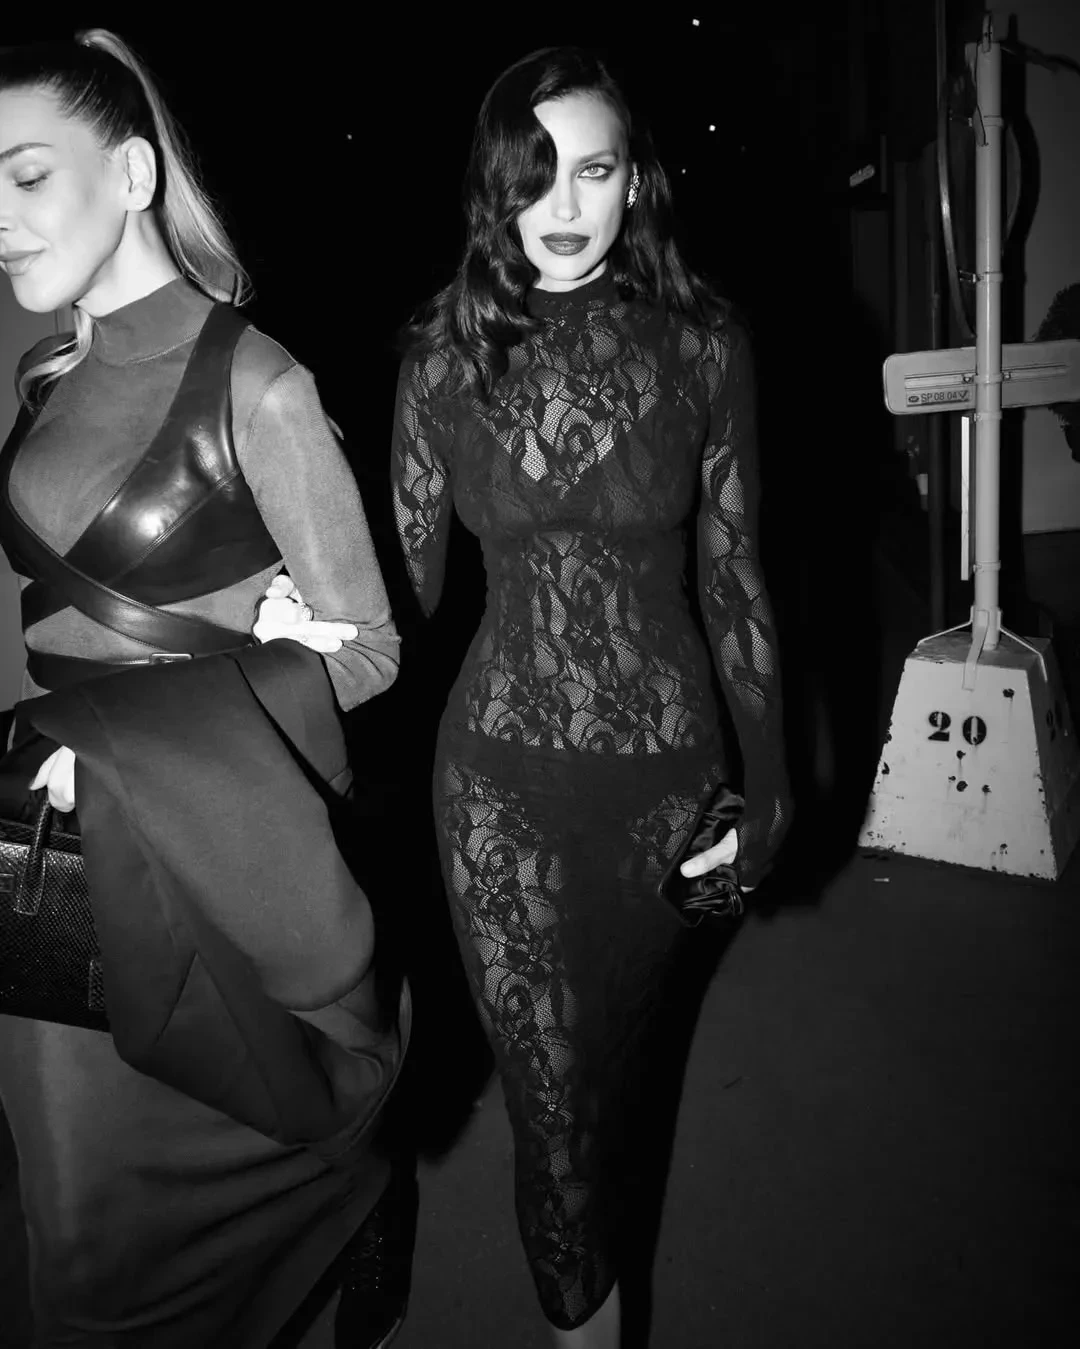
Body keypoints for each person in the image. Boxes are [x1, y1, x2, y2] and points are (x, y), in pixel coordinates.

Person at [0, 29, 412, 1349]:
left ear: (129, 175)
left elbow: (370, 652)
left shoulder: (260, 382)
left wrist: (167, 725)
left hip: (195, 853)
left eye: (26, 176)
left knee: (130, 1252)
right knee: (72, 1232)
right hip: (50, 843)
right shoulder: (47, 377)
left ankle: (359, 1194)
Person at [389, 46, 792, 1348]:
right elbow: (399, 601)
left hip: (673, 785)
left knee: (623, 1081)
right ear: (490, 190)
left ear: (638, 182)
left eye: (595, 169)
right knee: (554, 1120)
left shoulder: (706, 344)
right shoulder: (441, 357)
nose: (562, 205)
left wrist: (772, 789)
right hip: (495, 784)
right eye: (532, 174)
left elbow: (735, 578)